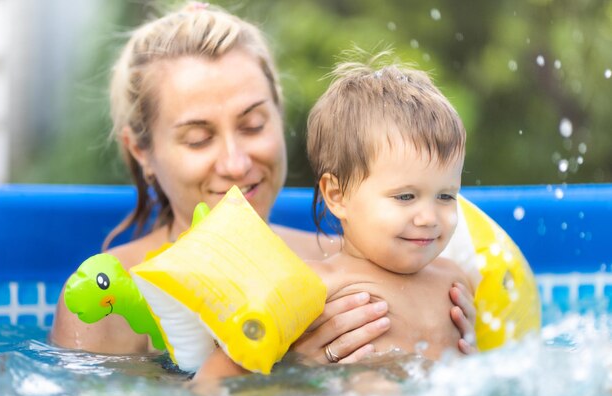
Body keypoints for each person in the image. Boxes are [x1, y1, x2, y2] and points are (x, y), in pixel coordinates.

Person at [49, 3, 476, 365]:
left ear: (279, 114)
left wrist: (452, 341)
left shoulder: (353, 258)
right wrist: (285, 366)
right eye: (199, 138)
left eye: (253, 125)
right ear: (142, 152)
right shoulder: (107, 306)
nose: (236, 164)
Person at [195, 57, 474, 380]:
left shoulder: (455, 282)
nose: (428, 218)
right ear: (337, 196)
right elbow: (217, 375)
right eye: (405, 197)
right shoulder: (314, 287)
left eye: (446, 196)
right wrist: (295, 369)